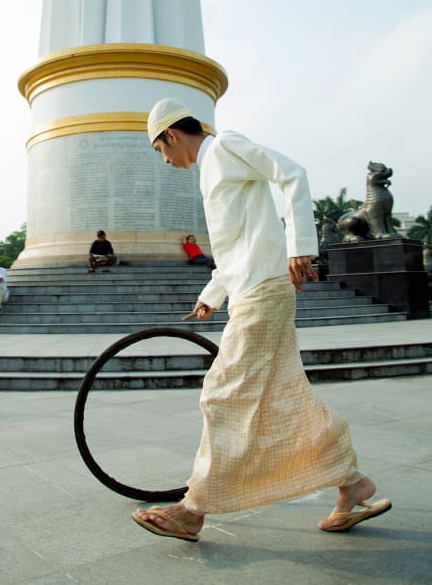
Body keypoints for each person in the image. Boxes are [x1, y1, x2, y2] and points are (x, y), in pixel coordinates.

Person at [132, 98, 391, 543]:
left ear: (171, 135)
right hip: (253, 290)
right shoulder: (212, 170)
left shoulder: (226, 146)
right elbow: (237, 245)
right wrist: (211, 295)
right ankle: (352, 485)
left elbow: (293, 173)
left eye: (160, 150)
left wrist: (300, 246)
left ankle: (192, 510)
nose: (165, 160)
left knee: (221, 395)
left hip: (264, 292)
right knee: (284, 399)